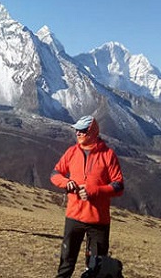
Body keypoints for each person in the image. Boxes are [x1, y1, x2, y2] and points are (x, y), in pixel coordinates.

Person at [50, 115, 124, 278]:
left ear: (92, 132)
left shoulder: (108, 155)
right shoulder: (72, 152)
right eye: (76, 130)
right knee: (66, 263)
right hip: (74, 216)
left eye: (82, 131)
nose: (77, 133)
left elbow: (118, 186)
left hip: (98, 221)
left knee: (97, 268)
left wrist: (94, 191)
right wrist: (66, 182)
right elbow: (55, 173)